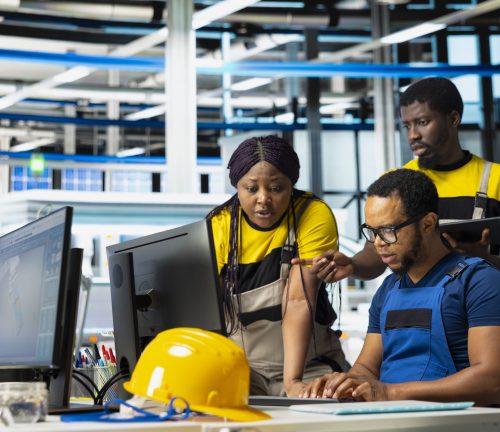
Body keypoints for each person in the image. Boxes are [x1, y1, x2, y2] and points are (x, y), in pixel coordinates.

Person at [299, 169, 500, 405]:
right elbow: (366, 368)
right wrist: (343, 384)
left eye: (388, 231)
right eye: (372, 232)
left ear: (427, 224)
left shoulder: (478, 281)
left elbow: (492, 380)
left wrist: (389, 393)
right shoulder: (388, 290)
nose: (378, 243)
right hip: (392, 418)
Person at [295, 76, 500, 281]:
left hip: (480, 302)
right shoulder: (396, 185)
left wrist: (484, 256)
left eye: (422, 122)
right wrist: (353, 265)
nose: (413, 135)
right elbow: (376, 251)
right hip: (416, 305)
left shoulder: (494, 179)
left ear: (453, 119)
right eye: (407, 126)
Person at [207, 135, 348, 397]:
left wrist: (293, 382)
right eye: (251, 189)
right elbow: (205, 310)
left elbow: (297, 300)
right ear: (236, 187)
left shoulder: (312, 214)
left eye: (276, 188)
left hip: (310, 367)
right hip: (244, 370)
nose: (263, 199)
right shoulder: (220, 225)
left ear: (291, 185)